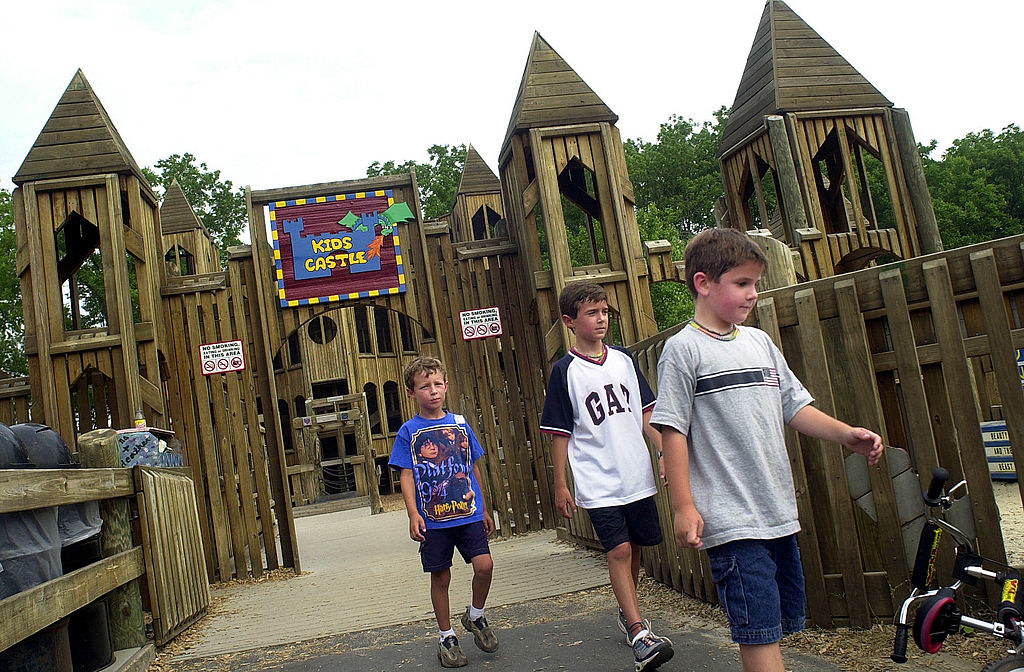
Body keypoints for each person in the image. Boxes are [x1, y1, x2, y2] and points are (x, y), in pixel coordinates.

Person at [651, 228, 884, 672]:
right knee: (757, 634)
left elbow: (794, 405)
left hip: (776, 513)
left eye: (756, 283)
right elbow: (672, 432)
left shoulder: (759, 343)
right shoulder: (682, 351)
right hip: (733, 521)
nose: (753, 294)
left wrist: (845, 434)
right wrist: (683, 506)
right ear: (703, 283)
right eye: (742, 283)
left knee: (773, 628)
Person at [540, 281, 674, 672]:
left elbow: (646, 413)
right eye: (591, 313)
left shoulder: (625, 360)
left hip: (635, 473)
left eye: (604, 312)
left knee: (634, 549)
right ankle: (638, 632)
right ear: (570, 321)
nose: (601, 319)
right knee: (617, 550)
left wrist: (664, 448)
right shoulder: (565, 372)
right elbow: (560, 431)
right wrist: (560, 482)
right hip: (597, 479)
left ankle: (626, 609)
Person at [389, 356, 498, 668]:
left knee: (485, 565)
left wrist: (485, 508)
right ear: (412, 393)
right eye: (425, 386)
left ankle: (475, 615)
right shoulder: (409, 432)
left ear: (447, 386)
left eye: (438, 384)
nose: (433, 391)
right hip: (434, 519)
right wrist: (413, 513)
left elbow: (472, 466)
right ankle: (446, 635)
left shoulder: (461, 425)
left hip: (469, 512)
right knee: (441, 575)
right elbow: (406, 475)